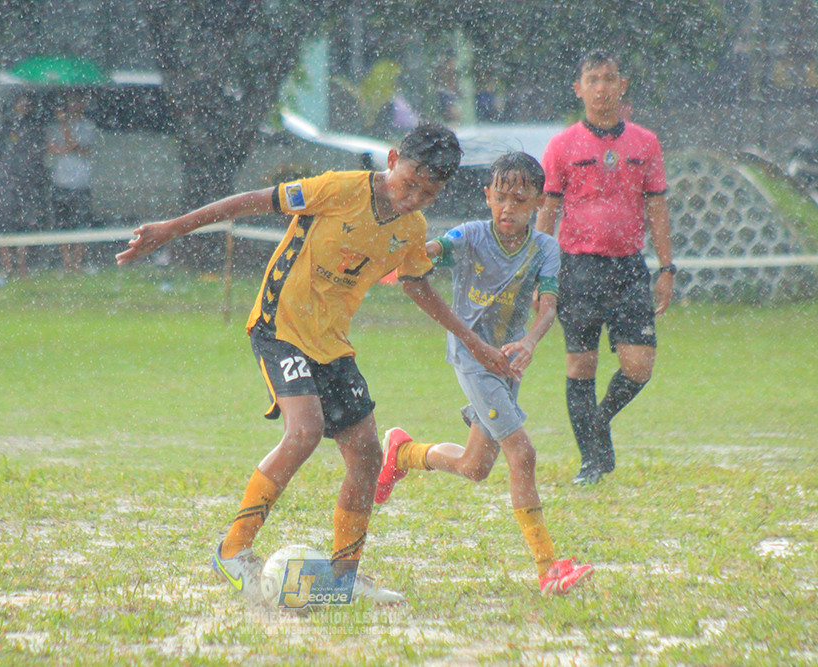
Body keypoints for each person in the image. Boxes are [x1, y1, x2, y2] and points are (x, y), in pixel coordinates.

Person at [116, 124, 515, 606]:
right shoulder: (339, 188)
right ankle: (232, 550)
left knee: (367, 453)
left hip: (332, 343)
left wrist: (472, 341)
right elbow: (250, 201)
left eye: (428, 194)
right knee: (304, 431)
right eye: (409, 182)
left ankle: (344, 579)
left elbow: (416, 285)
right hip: (279, 326)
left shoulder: (411, 229)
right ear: (392, 159)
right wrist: (170, 229)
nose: (413, 198)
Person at [375, 152, 594, 596]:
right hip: (474, 359)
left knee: (476, 467)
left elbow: (548, 306)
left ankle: (403, 453)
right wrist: (400, 257)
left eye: (519, 198)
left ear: (538, 202)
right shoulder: (472, 236)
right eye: (500, 197)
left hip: (509, 363)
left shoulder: (546, 249)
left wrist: (530, 341)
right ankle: (549, 567)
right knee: (523, 454)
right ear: (487, 197)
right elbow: (435, 248)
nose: (508, 207)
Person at [535, 50, 674, 486]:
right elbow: (546, 213)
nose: (602, 88)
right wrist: (540, 276)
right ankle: (590, 462)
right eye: (593, 79)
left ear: (623, 85)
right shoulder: (561, 146)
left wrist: (667, 268)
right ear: (579, 89)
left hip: (629, 269)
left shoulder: (645, 143)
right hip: (577, 269)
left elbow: (657, 209)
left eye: (610, 78)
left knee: (639, 366)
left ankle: (598, 421)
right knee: (581, 366)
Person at [0, 92, 48, 280]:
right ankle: (7, 266)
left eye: (26, 102)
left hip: (27, 183)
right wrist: (3, 171)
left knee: (25, 223)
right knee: (4, 224)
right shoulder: (3, 126)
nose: (23, 105)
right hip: (7, 183)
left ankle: (21, 267)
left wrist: (31, 172)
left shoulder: (34, 127)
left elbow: (39, 153)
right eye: (19, 101)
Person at [47, 91, 97, 273]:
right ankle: (67, 262)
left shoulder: (87, 127)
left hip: (81, 182)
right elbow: (52, 148)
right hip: (61, 181)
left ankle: (77, 263)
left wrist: (65, 128)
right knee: (63, 223)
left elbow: (77, 146)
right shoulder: (54, 128)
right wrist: (65, 146)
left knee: (81, 224)